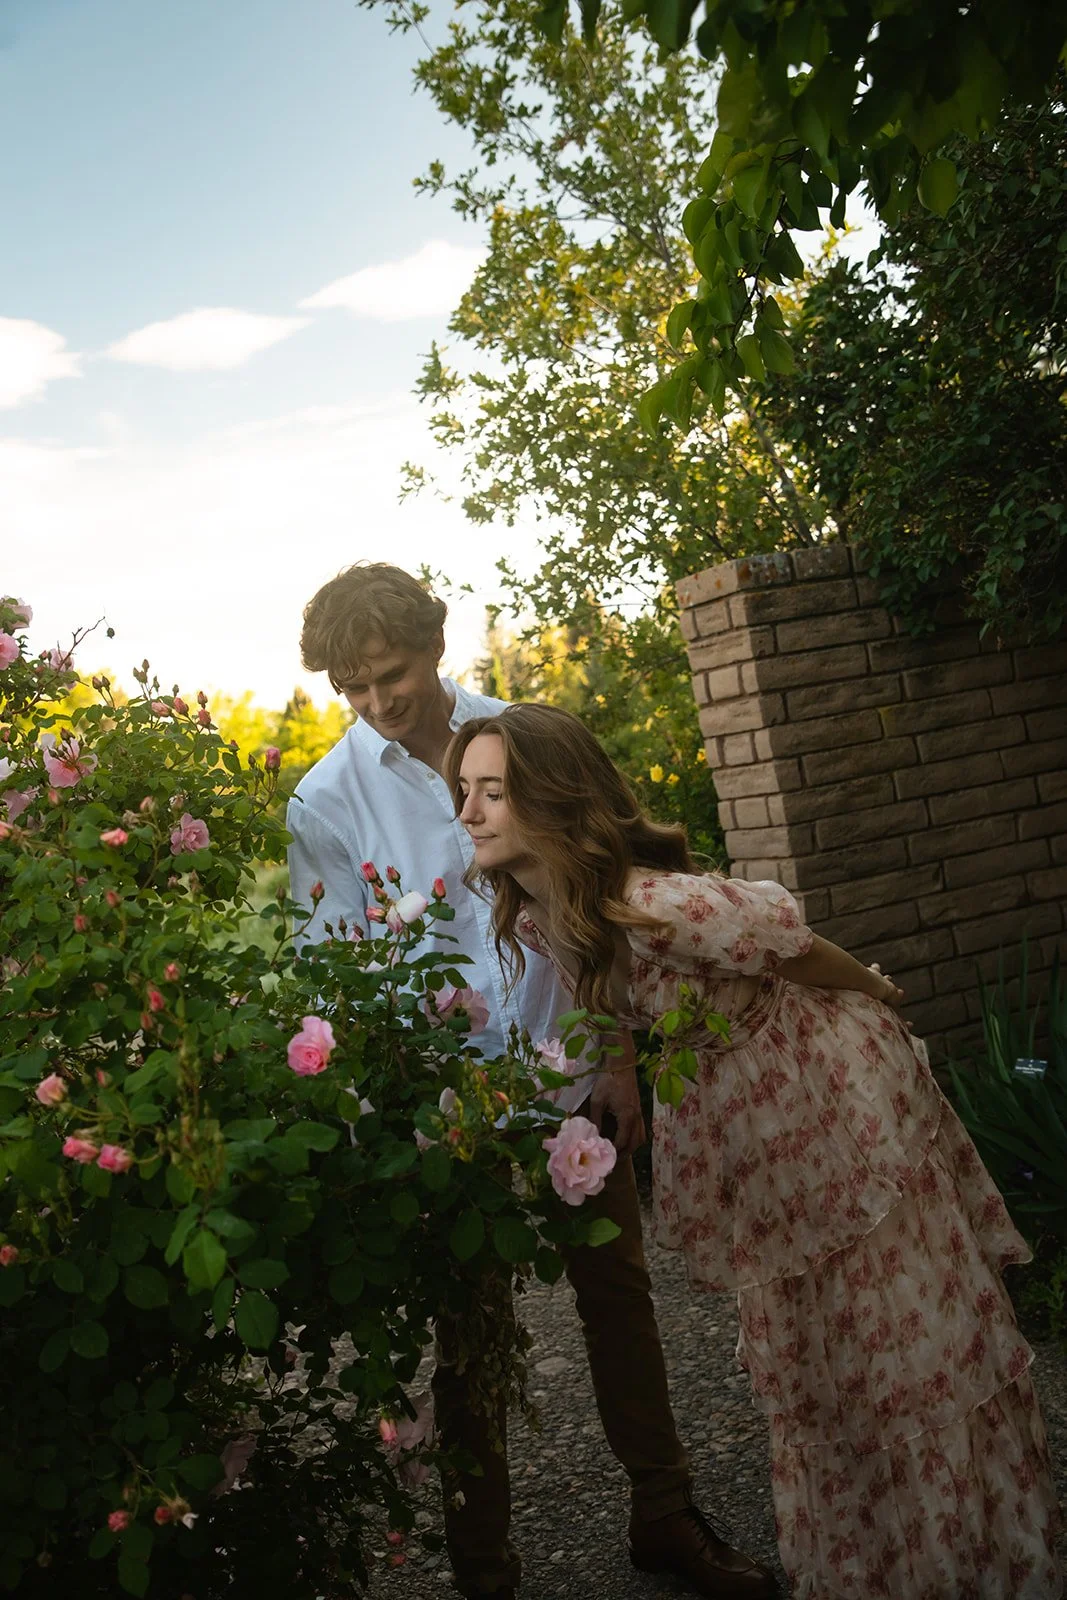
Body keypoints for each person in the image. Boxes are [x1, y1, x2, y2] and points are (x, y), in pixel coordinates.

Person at [446, 701, 1064, 1600]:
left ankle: (962, 1559)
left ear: (552, 801)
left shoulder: (652, 904)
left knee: (893, 1333)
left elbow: (800, 951)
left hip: (824, 1094)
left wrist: (881, 992)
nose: (466, 812)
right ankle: (873, 1560)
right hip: (742, 1110)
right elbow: (602, 1007)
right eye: (463, 790)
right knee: (817, 1350)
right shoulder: (545, 910)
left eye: (491, 793)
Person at [287, 563, 776, 1600]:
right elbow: (335, 966)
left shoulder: (526, 738)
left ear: (434, 643)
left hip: (572, 1081)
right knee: (470, 1343)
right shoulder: (325, 799)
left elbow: (597, 896)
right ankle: (484, 1571)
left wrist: (614, 1057)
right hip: (447, 1116)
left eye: (392, 672)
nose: (379, 701)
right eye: (354, 685)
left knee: (619, 1305)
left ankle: (666, 1514)